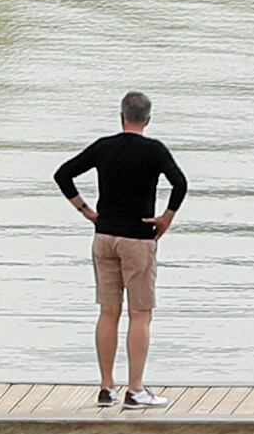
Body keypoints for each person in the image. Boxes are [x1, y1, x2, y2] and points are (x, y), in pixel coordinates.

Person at [55, 90, 189, 410]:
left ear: (121, 116)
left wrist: (86, 211)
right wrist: (166, 219)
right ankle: (136, 390)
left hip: (104, 237)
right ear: (148, 119)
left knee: (108, 311)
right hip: (137, 239)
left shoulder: (105, 147)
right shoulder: (154, 151)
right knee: (140, 313)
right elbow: (180, 184)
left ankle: (106, 387)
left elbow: (63, 174)